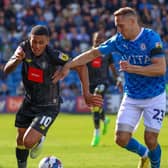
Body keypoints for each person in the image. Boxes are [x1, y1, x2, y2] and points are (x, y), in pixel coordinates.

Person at [53, 7, 166, 168]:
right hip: (132, 96)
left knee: (151, 139)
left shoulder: (151, 38)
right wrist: (68, 65)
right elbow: (93, 54)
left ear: (132, 22)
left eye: (121, 25)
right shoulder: (119, 40)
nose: (118, 29)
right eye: (116, 26)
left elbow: (160, 68)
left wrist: (133, 68)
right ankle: (144, 155)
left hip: (154, 96)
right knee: (121, 139)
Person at [3, 25, 102, 168]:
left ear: (47, 41)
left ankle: (40, 137)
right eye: (34, 41)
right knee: (20, 139)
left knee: (28, 141)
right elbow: (7, 70)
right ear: (29, 39)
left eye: (41, 42)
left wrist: (86, 93)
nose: (37, 46)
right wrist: (16, 60)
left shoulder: (53, 55)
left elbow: (81, 66)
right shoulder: (23, 48)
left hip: (49, 105)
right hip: (30, 101)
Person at [87, 31, 122, 147]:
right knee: (95, 108)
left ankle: (96, 133)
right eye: (96, 40)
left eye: (100, 40)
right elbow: (82, 67)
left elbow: (112, 68)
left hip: (103, 82)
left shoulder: (107, 54)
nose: (98, 42)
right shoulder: (88, 53)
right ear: (93, 40)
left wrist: (118, 79)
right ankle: (105, 119)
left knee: (97, 98)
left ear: (104, 41)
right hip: (91, 84)